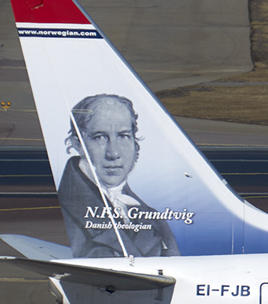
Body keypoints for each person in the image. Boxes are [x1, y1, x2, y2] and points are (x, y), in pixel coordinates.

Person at [57, 93, 181, 258]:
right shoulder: (62, 212)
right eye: (100, 137)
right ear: (77, 144)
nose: (113, 153)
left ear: (135, 144)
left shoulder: (155, 221)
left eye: (123, 136)